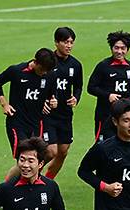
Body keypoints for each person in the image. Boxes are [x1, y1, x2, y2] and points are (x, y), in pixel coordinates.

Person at [0, 48, 57, 158]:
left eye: (47, 71)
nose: (44, 73)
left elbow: (51, 94)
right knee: (24, 157)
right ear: (35, 62)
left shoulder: (49, 75)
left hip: (36, 123)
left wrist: (52, 101)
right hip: (17, 122)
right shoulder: (17, 71)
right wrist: (4, 104)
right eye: (42, 69)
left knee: (35, 158)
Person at [44, 27, 83, 179]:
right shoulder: (48, 61)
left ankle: (47, 180)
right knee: (51, 151)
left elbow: (78, 86)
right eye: (65, 42)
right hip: (48, 114)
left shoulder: (76, 65)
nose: (69, 46)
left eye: (71, 42)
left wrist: (76, 98)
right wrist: (45, 101)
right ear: (56, 43)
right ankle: (32, 176)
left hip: (65, 114)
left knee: (63, 152)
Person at [87, 31, 130, 141]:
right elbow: (91, 87)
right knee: (102, 146)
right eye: (116, 48)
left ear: (127, 49)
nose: (119, 51)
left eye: (123, 48)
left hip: (125, 117)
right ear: (111, 48)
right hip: (105, 115)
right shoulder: (103, 66)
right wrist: (108, 95)